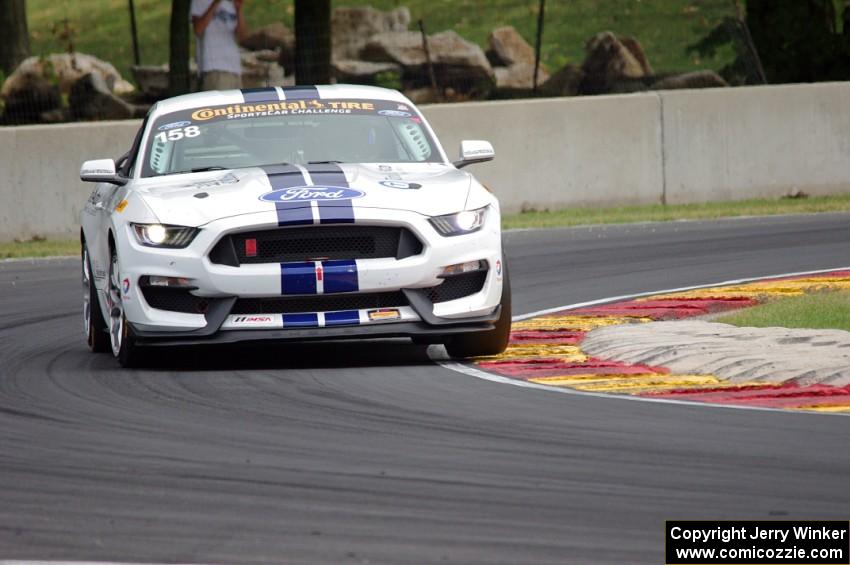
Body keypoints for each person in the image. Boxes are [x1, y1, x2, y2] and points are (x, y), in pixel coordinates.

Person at [190, 0, 248, 91]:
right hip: (214, 69)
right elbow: (198, 28)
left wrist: (238, 10)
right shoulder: (199, 2)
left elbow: (243, 37)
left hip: (235, 69)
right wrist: (216, 3)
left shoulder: (230, 5)